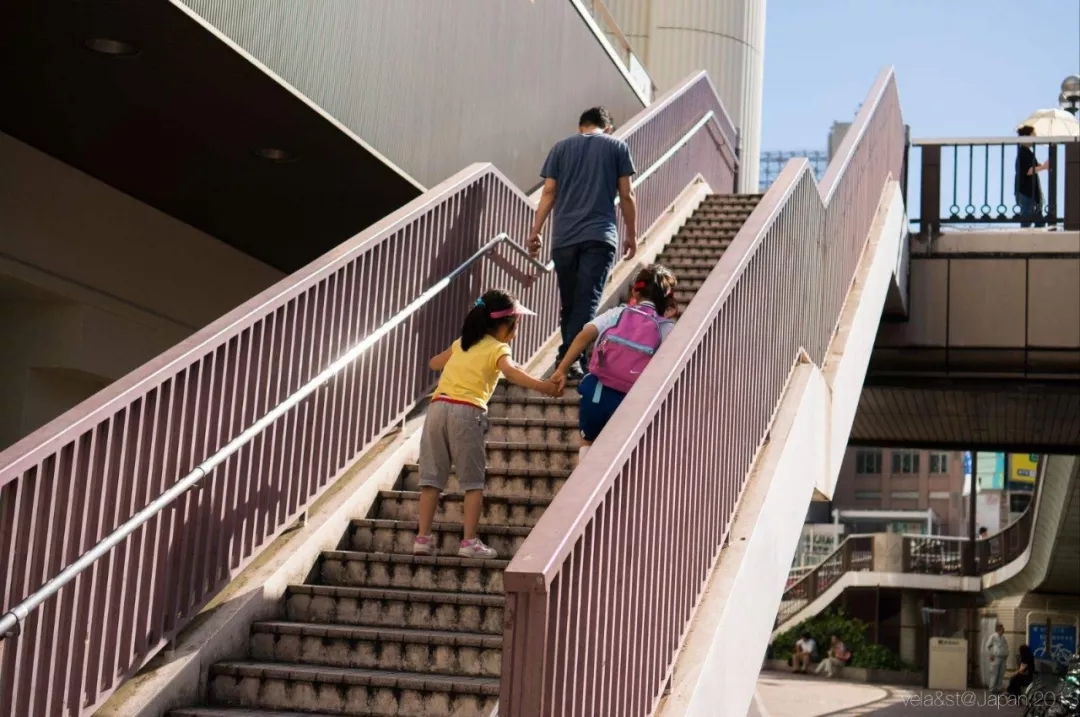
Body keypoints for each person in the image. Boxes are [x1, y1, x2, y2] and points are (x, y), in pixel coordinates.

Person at [414, 290, 560, 559]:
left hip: (437, 408)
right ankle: (468, 542)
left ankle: (422, 539)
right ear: (505, 325)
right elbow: (511, 371)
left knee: (431, 479)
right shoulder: (498, 348)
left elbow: (434, 362)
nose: (517, 330)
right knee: (473, 482)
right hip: (467, 411)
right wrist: (543, 386)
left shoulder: (464, 343)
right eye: (516, 324)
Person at [528, 106, 638, 379]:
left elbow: (549, 192)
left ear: (581, 126)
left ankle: (571, 359)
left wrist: (535, 230)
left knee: (570, 303)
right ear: (608, 127)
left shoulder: (560, 148)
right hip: (599, 236)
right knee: (587, 301)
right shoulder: (616, 147)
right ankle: (567, 357)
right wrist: (632, 234)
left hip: (564, 238)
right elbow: (627, 195)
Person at [550, 265, 677, 461]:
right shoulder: (666, 327)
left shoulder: (618, 313)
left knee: (588, 442)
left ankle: (583, 482)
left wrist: (561, 369)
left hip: (598, 393)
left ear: (635, 291)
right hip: (633, 399)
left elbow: (585, 335)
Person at [1015, 125, 1049, 228]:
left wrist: (1044, 165)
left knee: (1039, 222)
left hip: (1032, 193)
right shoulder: (1022, 153)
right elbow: (1028, 170)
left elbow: (1035, 166)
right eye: (1033, 135)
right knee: (1026, 221)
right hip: (1027, 193)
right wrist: (1043, 167)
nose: (1035, 137)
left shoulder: (1028, 152)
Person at [986, 622, 1010, 693]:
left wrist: (1006, 655)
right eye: (1003, 628)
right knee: (995, 673)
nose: (1004, 629)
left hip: (1003, 658)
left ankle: (998, 688)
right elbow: (988, 646)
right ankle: (992, 688)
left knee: (1001, 674)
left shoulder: (1003, 637)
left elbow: (1006, 646)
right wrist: (991, 655)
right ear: (999, 629)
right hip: (996, 657)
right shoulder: (993, 636)